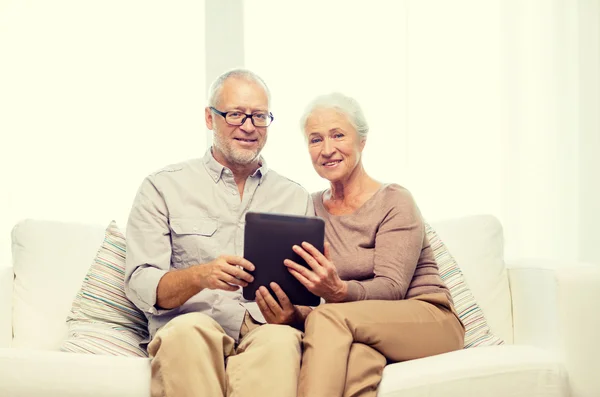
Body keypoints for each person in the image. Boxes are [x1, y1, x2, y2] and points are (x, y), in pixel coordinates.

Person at [124, 68, 314, 397]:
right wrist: (200, 276)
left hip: (265, 330)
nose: (248, 126)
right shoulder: (162, 186)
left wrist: (293, 313)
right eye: (236, 114)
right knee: (185, 334)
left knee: (284, 340)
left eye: (258, 116)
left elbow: (312, 296)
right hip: (193, 326)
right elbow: (140, 284)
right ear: (210, 119)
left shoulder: (295, 196)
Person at [283, 92, 466, 397]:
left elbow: (392, 287)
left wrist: (339, 292)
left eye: (338, 135)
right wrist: (292, 314)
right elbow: (310, 292)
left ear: (362, 141)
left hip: (429, 319)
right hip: (359, 326)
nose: (327, 149)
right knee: (354, 366)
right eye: (315, 140)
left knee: (327, 317)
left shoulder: (394, 200)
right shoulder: (308, 207)